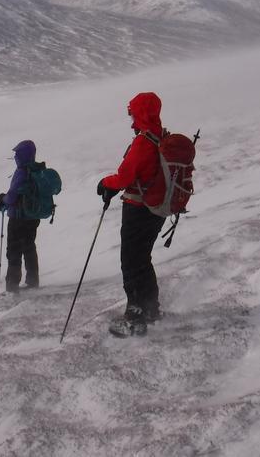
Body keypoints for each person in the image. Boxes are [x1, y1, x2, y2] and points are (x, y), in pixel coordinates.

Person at [98, 92, 167, 337]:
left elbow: (125, 176)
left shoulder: (143, 142)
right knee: (142, 259)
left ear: (141, 113)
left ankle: (135, 318)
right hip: (156, 209)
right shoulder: (161, 137)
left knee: (131, 261)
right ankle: (151, 310)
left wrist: (106, 183)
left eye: (133, 113)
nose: (132, 119)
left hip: (138, 209)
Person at [0, 140, 41, 292]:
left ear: (22, 155)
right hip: (33, 217)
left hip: (18, 218)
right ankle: (33, 280)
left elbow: (12, 197)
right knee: (29, 246)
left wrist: (3, 199)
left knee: (14, 250)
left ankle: (12, 284)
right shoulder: (36, 170)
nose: (15, 156)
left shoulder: (21, 172)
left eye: (17, 153)